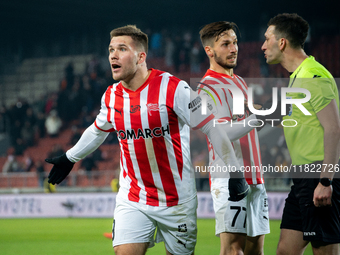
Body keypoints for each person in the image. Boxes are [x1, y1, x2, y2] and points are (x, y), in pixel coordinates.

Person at [45, 25, 248, 255]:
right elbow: (98, 129)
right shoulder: (111, 96)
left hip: (177, 202)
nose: (113, 54)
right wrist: (70, 157)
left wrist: (235, 171)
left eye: (122, 49)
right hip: (134, 198)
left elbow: (212, 126)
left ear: (141, 56)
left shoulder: (173, 88)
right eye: (111, 49)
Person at [261, 13, 340, 255]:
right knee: (285, 250)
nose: (263, 46)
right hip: (302, 178)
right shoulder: (297, 77)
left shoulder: (313, 76)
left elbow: (334, 128)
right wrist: (256, 117)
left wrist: (325, 181)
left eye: (267, 39)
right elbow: (295, 121)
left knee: (324, 250)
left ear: (281, 42)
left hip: (318, 175)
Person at [198, 21, 270, 255]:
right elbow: (220, 132)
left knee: (254, 251)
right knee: (233, 250)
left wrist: (269, 114)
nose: (234, 48)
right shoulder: (207, 88)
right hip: (229, 177)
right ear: (209, 50)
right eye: (226, 44)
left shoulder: (238, 82)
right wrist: (255, 118)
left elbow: (246, 126)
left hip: (255, 176)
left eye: (235, 42)